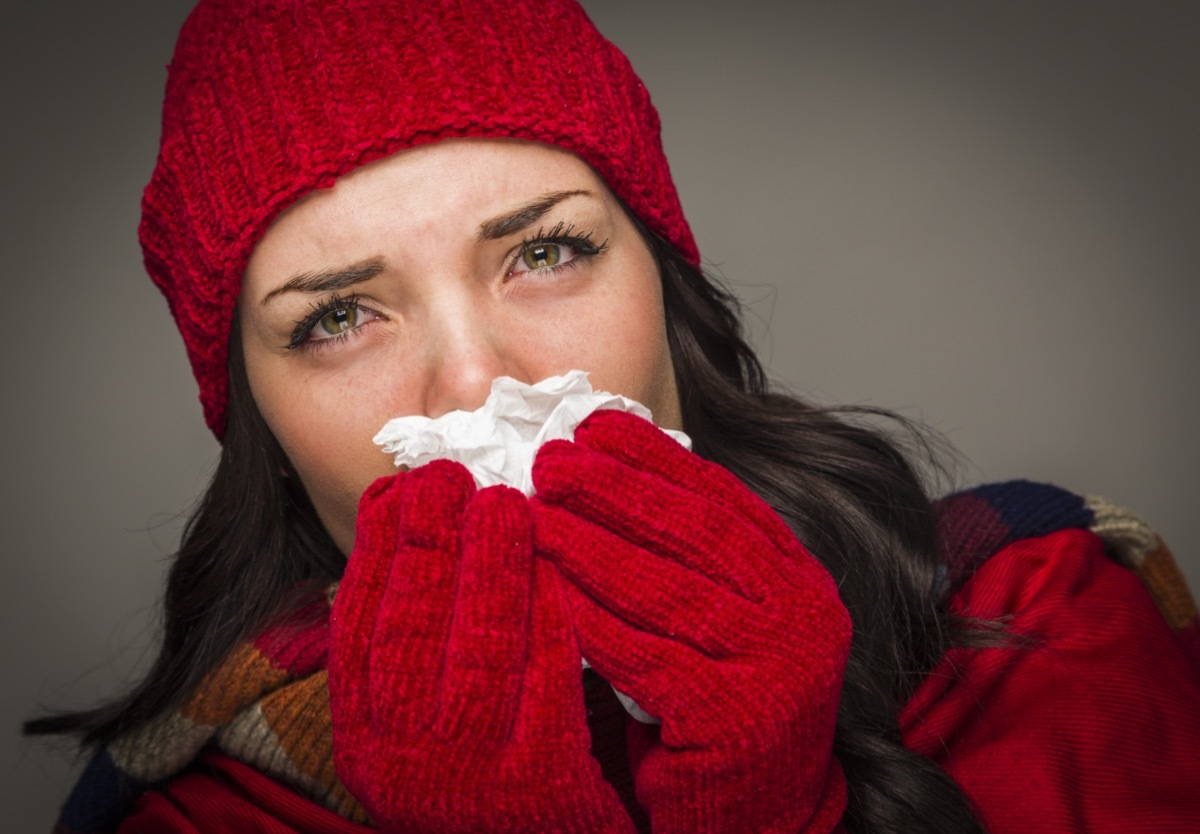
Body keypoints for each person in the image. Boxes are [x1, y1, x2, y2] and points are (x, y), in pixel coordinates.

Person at [26, 0, 1200, 831]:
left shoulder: (1039, 613)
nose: (478, 381)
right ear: (259, 428)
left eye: (544, 251)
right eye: (336, 318)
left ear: (664, 285)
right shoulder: (198, 810)